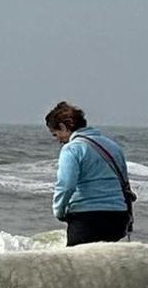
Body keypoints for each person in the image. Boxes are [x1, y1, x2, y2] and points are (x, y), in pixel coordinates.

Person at [45, 101, 133, 245]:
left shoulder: (72, 149)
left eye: (56, 134)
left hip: (87, 218)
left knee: (78, 266)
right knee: (107, 265)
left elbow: (66, 186)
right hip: (118, 216)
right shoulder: (113, 146)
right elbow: (124, 181)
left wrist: (59, 211)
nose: (58, 140)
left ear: (63, 127)